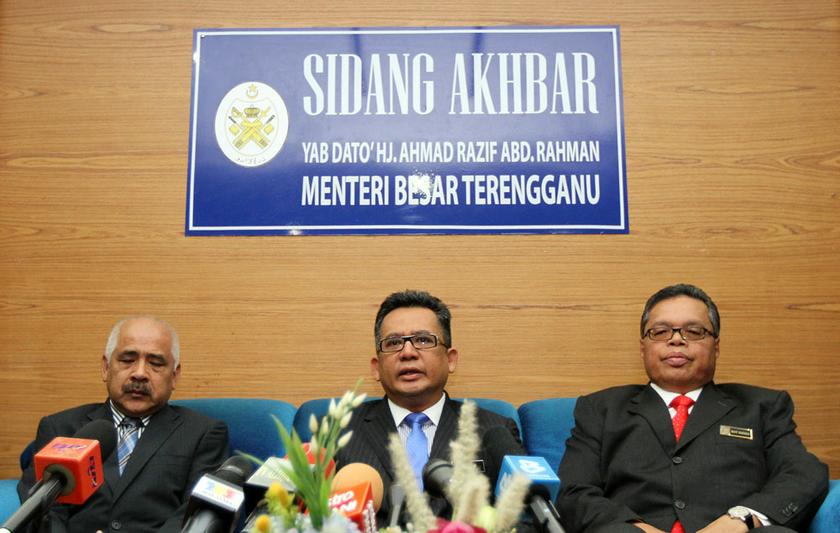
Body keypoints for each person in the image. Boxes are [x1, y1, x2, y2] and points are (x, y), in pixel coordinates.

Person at [557, 284, 828, 533]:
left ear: (716, 346)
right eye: (660, 331)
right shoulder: (601, 409)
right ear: (643, 348)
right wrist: (635, 528)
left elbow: (804, 473)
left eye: (694, 331)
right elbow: (574, 492)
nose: (676, 340)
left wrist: (742, 518)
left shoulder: (762, 406)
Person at [18, 316, 230, 533]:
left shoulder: (203, 434)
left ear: (175, 376)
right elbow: (43, 513)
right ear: (105, 368)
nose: (139, 373)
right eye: (127, 360)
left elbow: (196, 516)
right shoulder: (60, 428)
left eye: (155, 363)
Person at [336, 290, 524, 523]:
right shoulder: (339, 430)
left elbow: (523, 517)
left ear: (451, 359)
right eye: (393, 343)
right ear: (376, 367)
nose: (407, 352)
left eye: (423, 340)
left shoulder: (494, 431)